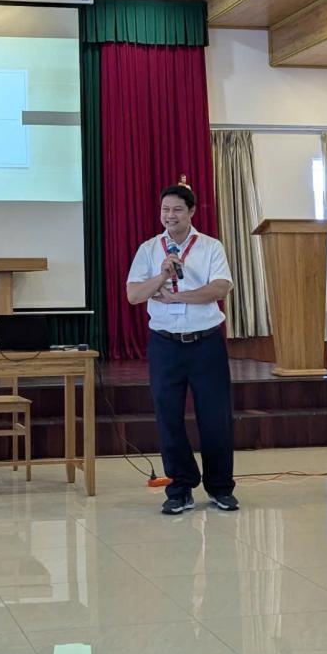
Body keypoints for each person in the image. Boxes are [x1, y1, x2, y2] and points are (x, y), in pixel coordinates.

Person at [125, 183, 237, 515]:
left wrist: (177, 297)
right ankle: (180, 488)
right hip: (165, 345)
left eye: (176, 209)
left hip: (206, 343)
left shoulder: (210, 246)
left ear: (191, 212)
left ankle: (220, 488)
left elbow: (220, 288)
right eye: (165, 210)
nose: (169, 216)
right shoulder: (149, 249)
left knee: (215, 417)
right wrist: (161, 276)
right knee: (168, 417)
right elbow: (134, 294)